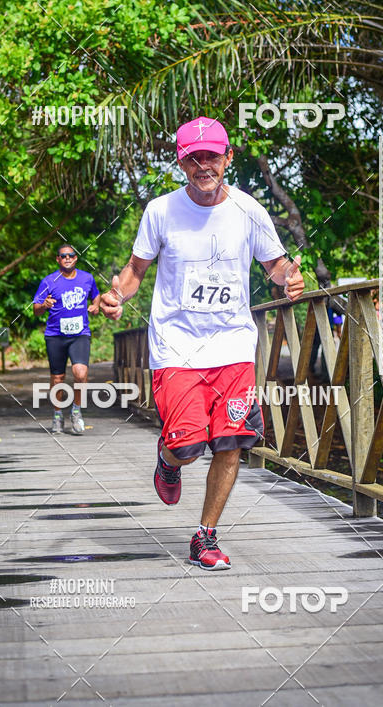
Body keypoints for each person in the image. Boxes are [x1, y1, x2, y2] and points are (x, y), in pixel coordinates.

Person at [100, 117, 304, 570]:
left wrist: (289, 279)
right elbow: (135, 271)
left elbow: (275, 264)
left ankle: (205, 536)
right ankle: (168, 458)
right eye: (194, 158)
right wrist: (117, 295)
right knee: (189, 443)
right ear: (181, 162)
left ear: (228, 157)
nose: (204, 165)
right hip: (176, 347)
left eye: (212, 156)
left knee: (231, 441)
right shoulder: (161, 211)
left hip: (232, 346)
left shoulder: (250, 210)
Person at [33, 245, 101, 434]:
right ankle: (57, 414)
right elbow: (36, 310)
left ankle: (76, 411)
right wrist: (44, 305)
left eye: (71, 255)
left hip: (80, 334)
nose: (67, 258)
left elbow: (96, 297)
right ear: (58, 259)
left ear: (76, 258)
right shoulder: (48, 281)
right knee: (57, 378)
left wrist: (96, 307)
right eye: (63, 256)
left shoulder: (87, 278)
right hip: (55, 335)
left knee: (80, 373)